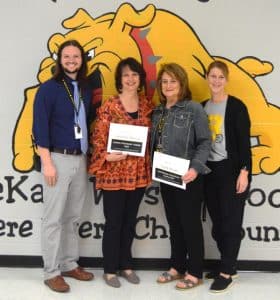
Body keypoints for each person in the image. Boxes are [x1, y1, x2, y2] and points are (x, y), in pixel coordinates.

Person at [33, 40, 94, 293]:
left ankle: (69, 264)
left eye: (76, 56)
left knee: (72, 217)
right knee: (53, 219)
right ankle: (51, 272)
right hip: (56, 159)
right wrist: (47, 163)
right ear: (59, 60)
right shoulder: (48, 89)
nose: (71, 60)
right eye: (66, 56)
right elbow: (39, 127)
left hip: (80, 158)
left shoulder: (86, 88)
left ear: (82, 60)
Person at [88, 57, 153, 288]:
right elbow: (97, 140)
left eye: (135, 74)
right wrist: (106, 156)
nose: (130, 79)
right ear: (119, 79)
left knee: (129, 222)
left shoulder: (147, 106)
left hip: (137, 175)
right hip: (113, 174)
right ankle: (109, 270)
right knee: (114, 222)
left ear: (140, 79)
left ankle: (126, 265)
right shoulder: (109, 107)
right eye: (126, 75)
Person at [151, 63, 211, 290]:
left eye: (172, 81)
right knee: (174, 224)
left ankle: (195, 272)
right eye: (164, 81)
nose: (168, 85)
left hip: (189, 177)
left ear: (181, 84)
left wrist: (195, 168)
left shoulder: (193, 109)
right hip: (166, 176)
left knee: (190, 225)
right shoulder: (158, 111)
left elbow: (205, 142)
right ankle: (176, 267)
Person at [203, 60, 252, 293]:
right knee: (218, 223)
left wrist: (244, 172)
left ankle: (226, 272)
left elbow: (244, 144)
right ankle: (228, 264)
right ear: (207, 78)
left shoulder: (236, 107)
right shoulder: (202, 107)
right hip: (209, 172)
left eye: (220, 77)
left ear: (226, 80)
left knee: (231, 223)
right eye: (212, 76)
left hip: (231, 171)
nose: (216, 81)